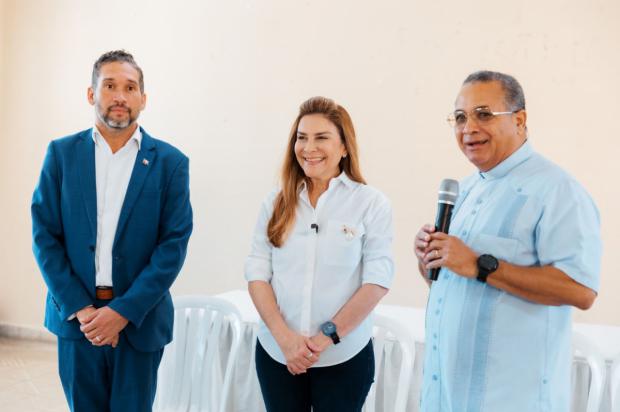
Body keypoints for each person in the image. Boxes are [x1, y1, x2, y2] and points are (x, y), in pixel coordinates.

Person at [414, 70, 601, 411]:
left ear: (520, 120)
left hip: (509, 399)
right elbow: (461, 286)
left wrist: (478, 264)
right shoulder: (467, 190)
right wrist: (431, 261)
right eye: (459, 117)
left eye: (483, 114)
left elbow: (581, 290)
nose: (468, 127)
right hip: (445, 397)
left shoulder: (557, 191)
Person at [31, 50, 193, 412]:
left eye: (130, 87)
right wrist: (81, 309)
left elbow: (173, 246)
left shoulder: (171, 164)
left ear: (143, 99)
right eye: (109, 85)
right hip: (78, 322)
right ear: (92, 94)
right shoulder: (60, 155)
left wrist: (122, 312)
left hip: (139, 323)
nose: (120, 95)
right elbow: (45, 236)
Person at [245, 96, 394, 412]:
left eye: (321, 137)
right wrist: (285, 339)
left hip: (343, 358)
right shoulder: (275, 202)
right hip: (277, 355)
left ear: (344, 147)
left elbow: (377, 281)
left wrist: (325, 338)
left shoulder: (370, 203)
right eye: (302, 137)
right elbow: (257, 273)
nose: (308, 147)